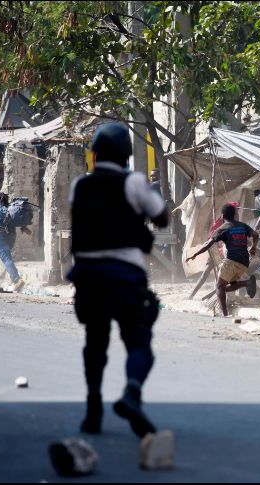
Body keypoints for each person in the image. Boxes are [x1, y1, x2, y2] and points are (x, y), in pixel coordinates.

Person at [68, 122, 169, 437]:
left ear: (95, 154)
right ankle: (132, 394)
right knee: (138, 341)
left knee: (95, 341)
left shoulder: (79, 185)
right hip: (125, 275)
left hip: (88, 275)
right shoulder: (133, 182)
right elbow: (162, 217)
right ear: (126, 156)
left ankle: (93, 409)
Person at [187, 203, 259, 317]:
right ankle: (247, 283)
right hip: (244, 262)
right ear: (234, 214)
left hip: (231, 261)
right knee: (226, 286)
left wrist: (195, 254)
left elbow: (208, 244)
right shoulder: (243, 226)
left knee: (219, 286)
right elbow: (256, 235)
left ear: (222, 216)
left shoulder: (222, 228)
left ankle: (225, 314)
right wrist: (253, 247)